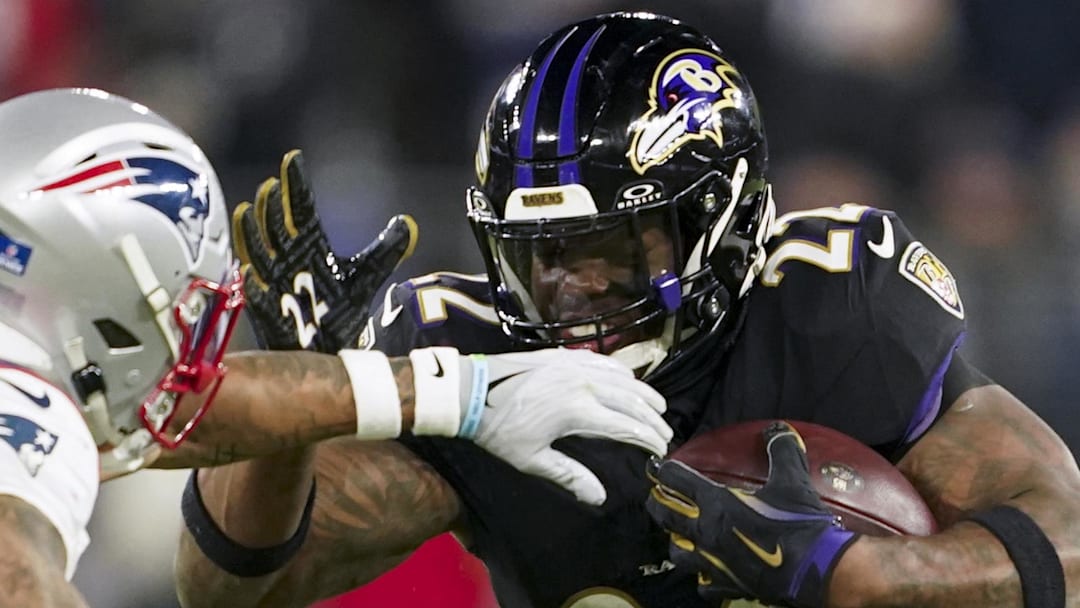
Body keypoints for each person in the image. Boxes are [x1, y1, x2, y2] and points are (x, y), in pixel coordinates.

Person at [175, 11, 1080, 608]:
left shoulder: (826, 309)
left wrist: (852, 574)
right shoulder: (474, 361)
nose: (571, 291)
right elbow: (231, 589)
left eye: (610, 251)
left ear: (717, 218)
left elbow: (1068, 544)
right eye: (539, 257)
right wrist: (295, 422)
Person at [0, 87, 673, 608]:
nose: (194, 349)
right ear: (86, 280)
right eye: (182, 305)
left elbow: (195, 406)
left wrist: (457, 395)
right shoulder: (27, 409)